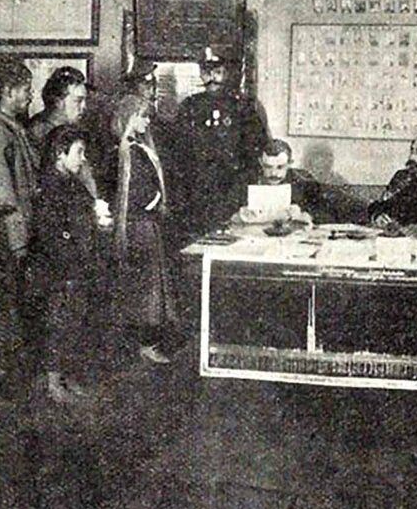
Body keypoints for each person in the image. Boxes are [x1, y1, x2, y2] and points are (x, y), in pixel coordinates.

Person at [26, 128, 110, 403]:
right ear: (59, 154)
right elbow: (51, 234)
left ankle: (65, 377)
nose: (83, 158)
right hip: (60, 268)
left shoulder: (71, 182)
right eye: (78, 152)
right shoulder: (51, 186)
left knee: (72, 323)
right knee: (57, 324)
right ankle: (53, 384)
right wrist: (72, 262)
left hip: (77, 264)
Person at [173, 46, 268, 237]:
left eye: (217, 72)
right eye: (205, 72)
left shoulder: (244, 107)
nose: (211, 78)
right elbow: (178, 155)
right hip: (196, 194)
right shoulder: (189, 106)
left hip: (232, 192)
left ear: (227, 73)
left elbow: (255, 155)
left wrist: (239, 192)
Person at [112, 94, 178, 365]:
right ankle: (144, 344)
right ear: (130, 118)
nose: (147, 121)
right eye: (142, 116)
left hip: (143, 224)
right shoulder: (130, 150)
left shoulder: (135, 147)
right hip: (141, 225)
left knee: (146, 285)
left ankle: (144, 343)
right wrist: (157, 201)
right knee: (146, 287)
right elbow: (139, 193)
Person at [0, 55, 38, 264]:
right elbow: (2, 189)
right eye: (26, 90)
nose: (31, 96)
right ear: (8, 91)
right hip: (12, 236)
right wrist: (18, 242)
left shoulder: (14, 126)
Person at [231, 138, 323, 225]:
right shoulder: (245, 180)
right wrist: (238, 216)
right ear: (260, 162)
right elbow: (225, 210)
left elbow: (323, 208)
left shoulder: (302, 180)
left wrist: (304, 215)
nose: (274, 173)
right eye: (268, 167)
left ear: (290, 164)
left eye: (280, 167)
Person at [26, 66, 88, 160]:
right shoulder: (39, 132)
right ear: (58, 102)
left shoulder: (69, 128)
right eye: (78, 101)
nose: (84, 107)